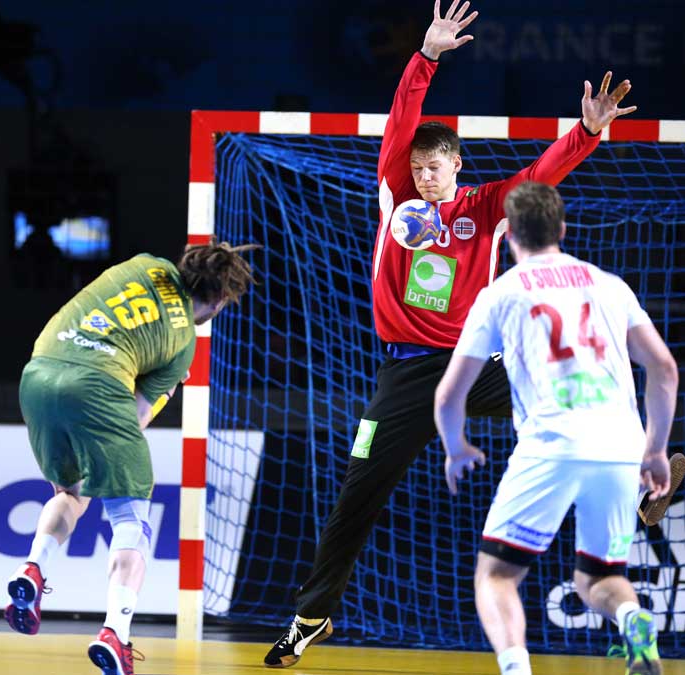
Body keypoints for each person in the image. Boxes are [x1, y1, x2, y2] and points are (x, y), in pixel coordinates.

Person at [263, 0, 639, 667]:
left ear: (456, 167)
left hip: (475, 363)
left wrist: (584, 133)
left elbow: (541, 176)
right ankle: (312, 615)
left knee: (574, 395)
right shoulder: (393, 194)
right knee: (358, 492)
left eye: (434, 168)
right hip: (405, 376)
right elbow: (401, 122)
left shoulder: (487, 209)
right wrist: (426, 56)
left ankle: (642, 480)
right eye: (416, 168)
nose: (423, 177)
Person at [433, 181, 677, 675]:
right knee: (599, 579)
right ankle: (632, 618)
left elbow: (448, 395)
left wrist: (455, 447)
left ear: (510, 234)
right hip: (620, 446)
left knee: (497, 575)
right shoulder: (610, 285)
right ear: (562, 229)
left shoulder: (499, 294)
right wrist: (654, 451)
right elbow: (665, 369)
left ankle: (517, 670)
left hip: (552, 444)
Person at [5, 238, 259, 675]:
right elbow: (135, 417)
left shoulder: (145, 263)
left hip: (39, 372)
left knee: (71, 493)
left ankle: (33, 568)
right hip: (98, 388)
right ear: (218, 302)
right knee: (130, 517)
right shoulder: (183, 344)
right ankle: (114, 633)